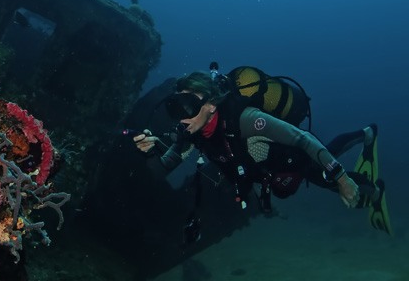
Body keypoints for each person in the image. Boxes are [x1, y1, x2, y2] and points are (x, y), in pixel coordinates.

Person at [133, 65, 392, 237]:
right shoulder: (192, 133)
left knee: (327, 175)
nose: (181, 117)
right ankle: (365, 136)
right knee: (318, 168)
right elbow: (161, 169)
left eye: (188, 106)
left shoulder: (247, 119)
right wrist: (149, 151)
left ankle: (374, 183)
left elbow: (303, 139)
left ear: (211, 105)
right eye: (175, 108)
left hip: (294, 158)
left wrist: (342, 178)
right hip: (271, 173)